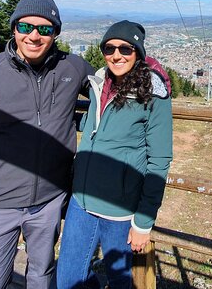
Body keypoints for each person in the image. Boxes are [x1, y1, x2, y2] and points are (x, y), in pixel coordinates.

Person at [0, 0, 94, 289]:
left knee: (42, 274)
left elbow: (111, 83)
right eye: (26, 27)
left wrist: (148, 74)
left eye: (45, 29)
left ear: (55, 34)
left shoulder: (72, 68)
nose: (34, 36)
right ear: (14, 28)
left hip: (50, 200)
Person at [56, 20, 173, 289]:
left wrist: (143, 222)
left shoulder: (152, 95)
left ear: (138, 52)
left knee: (120, 280)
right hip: (82, 200)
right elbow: (97, 126)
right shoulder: (99, 83)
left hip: (119, 208)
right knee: (67, 279)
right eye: (109, 48)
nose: (116, 55)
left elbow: (159, 159)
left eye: (125, 49)